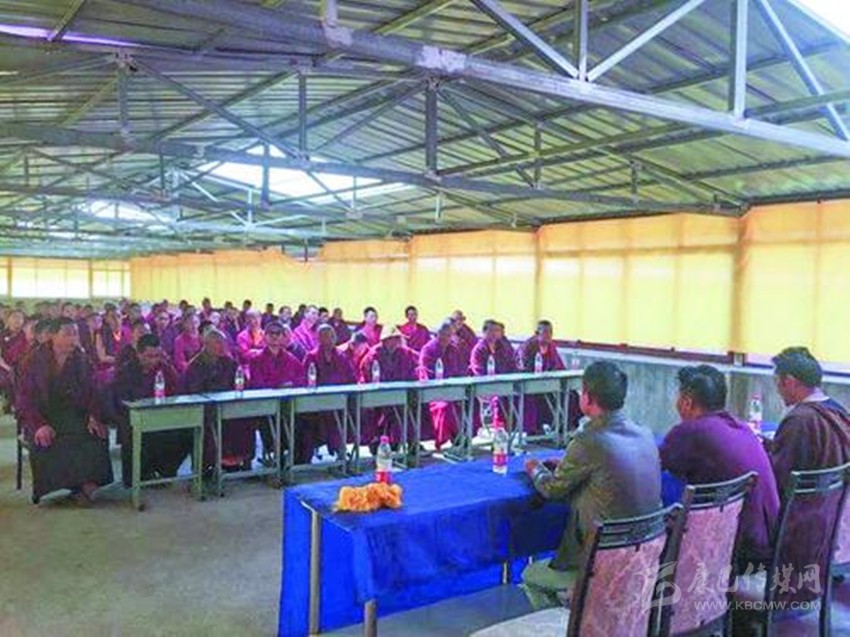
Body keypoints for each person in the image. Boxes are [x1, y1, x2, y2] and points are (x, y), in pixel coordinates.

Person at [522, 361, 661, 610]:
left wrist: (535, 468)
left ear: (588, 397)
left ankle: (574, 618)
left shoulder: (588, 439)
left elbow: (552, 489)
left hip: (602, 559)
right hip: (645, 556)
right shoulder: (644, 434)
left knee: (532, 576)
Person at [660, 365, 779, 569]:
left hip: (737, 549)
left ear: (687, 402)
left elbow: (652, 466)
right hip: (768, 540)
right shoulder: (742, 427)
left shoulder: (690, 432)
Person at [17, 318, 113, 504]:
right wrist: (39, 425)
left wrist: (93, 415)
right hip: (41, 416)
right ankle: (69, 487)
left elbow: (93, 391)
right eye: (67, 334)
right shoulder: (33, 360)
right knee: (51, 439)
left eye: (75, 334)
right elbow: (25, 399)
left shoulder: (81, 359)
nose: (73, 338)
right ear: (52, 336)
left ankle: (88, 484)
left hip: (74, 414)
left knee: (96, 433)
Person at [112, 334, 189, 487]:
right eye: (149, 356)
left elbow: (178, 391)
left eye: (157, 356)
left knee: (189, 433)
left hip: (163, 417)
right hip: (135, 419)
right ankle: (144, 474)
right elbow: (121, 401)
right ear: (139, 354)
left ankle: (166, 471)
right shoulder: (126, 372)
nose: (154, 360)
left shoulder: (165, 368)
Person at [770, 347, 850, 492]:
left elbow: (777, 476)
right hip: (831, 502)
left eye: (776, 381)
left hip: (799, 504)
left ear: (789, 381)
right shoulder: (838, 411)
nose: (777, 389)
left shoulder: (798, 420)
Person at [184, 328, 254, 471]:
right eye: (218, 343)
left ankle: (241, 461)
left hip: (230, 407)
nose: (223, 346)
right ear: (206, 345)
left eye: (224, 343)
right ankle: (208, 466)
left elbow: (242, 383)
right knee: (212, 425)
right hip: (207, 410)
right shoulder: (195, 365)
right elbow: (194, 392)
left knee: (247, 419)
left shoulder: (230, 363)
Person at [249, 321, 304, 464]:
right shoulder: (256, 360)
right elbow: (256, 384)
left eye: (278, 333)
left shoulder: (291, 359)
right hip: (267, 407)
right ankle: (274, 456)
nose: (274, 336)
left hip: (290, 405)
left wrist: (292, 386)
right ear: (264, 336)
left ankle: (297, 459)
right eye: (271, 333)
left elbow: (302, 379)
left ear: (283, 337)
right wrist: (278, 387)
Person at [301, 325, 355, 463]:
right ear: (318, 338)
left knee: (351, 414)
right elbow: (305, 380)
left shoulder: (341, 356)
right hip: (316, 402)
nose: (329, 339)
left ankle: (342, 452)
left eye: (332, 336)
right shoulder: (311, 356)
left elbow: (351, 378)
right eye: (325, 336)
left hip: (340, 401)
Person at [358, 327, 418, 448]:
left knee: (413, 406)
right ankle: (379, 441)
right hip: (376, 395)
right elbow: (366, 377)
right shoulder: (373, 356)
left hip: (400, 393)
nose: (396, 342)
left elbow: (416, 366)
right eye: (393, 339)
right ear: (385, 341)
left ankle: (411, 443)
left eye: (397, 339)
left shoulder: (405, 353)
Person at [418, 319, 467, 449]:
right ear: (437, 334)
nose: (446, 338)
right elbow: (427, 374)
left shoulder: (454, 349)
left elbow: (461, 370)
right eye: (444, 335)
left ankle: (465, 435)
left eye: (449, 335)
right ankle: (456, 438)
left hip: (453, 390)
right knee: (445, 406)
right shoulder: (428, 349)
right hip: (433, 392)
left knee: (472, 403)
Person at [517, 320, 566, 435]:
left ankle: (564, 426)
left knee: (570, 394)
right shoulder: (527, 347)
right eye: (545, 332)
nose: (549, 335)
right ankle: (534, 430)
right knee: (535, 399)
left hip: (548, 383)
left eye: (550, 332)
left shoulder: (551, 346)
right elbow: (524, 368)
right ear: (536, 333)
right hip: (528, 385)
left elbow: (558, 366)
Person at [470, 320, 517, 429]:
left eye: (497, 331)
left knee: (520, 397)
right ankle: (498, 427)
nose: (494, 333)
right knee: (498, 398)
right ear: (484, 332)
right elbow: (478, 371)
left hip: (504, 384)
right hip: (484, 386)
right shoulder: (478, 350)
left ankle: (514, 428)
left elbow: (511, 365)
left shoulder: (503, 347)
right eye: (491, 330)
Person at [0, 309, 27, 410]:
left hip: (22, 365)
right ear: (8, 319)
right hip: (3, 366)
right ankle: (8, 401)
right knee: (6, 378)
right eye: (15, 317)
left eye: (20, 317)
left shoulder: (25, 335)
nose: (17, 320)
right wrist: (8, 368)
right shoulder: (2, 335)